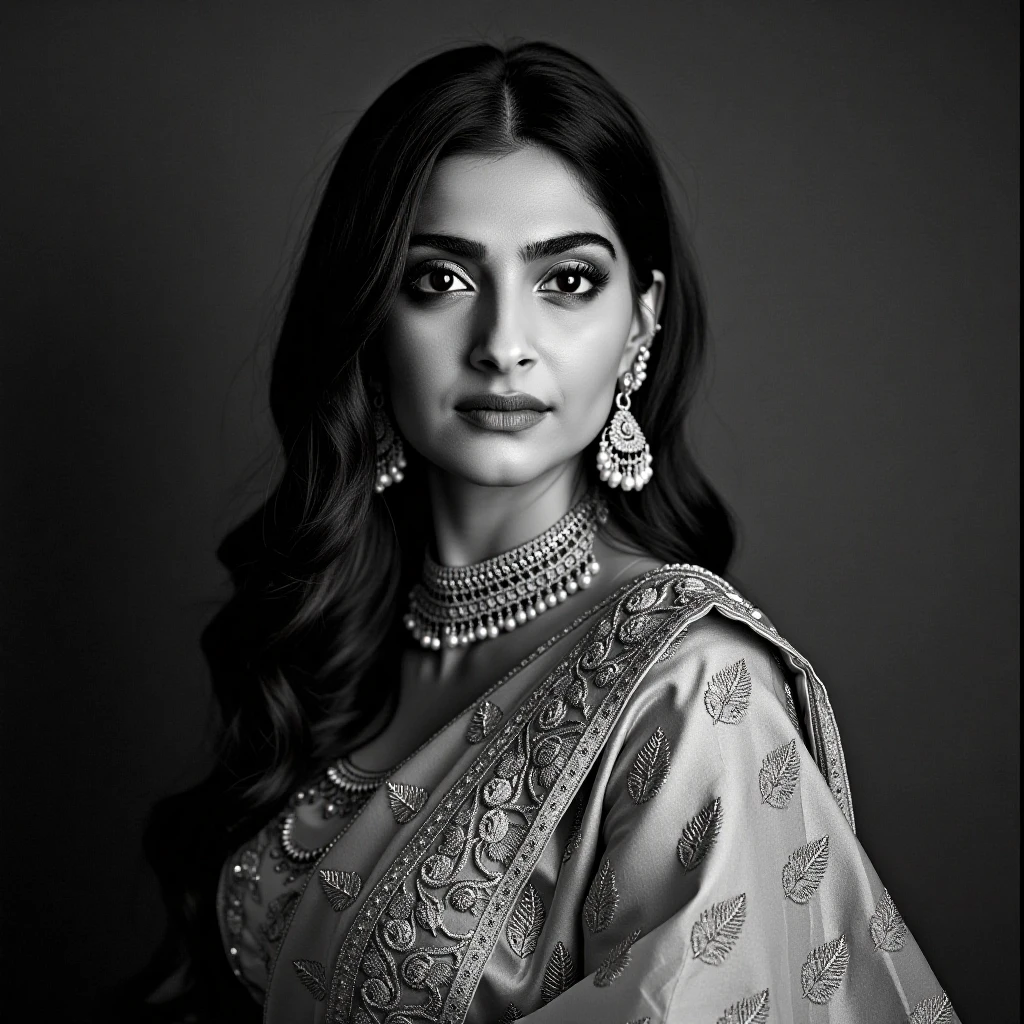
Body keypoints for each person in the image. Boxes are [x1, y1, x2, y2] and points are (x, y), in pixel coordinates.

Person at [134, 40, 958, 1024]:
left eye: (565, 280)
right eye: (438, 280)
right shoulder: (343, 641)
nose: (504, 345)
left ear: (639, 324)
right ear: (365, 318)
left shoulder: (694, 691)